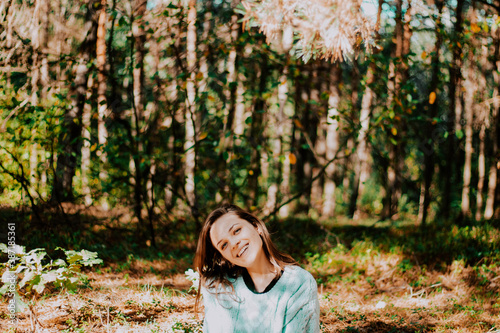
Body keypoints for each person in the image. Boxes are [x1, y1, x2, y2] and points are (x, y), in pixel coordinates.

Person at [194, 204, 320, 332]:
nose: (233, 244)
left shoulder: (298, 283)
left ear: (256, 226)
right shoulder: (217, 287)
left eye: (236, 231)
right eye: (224, 245)